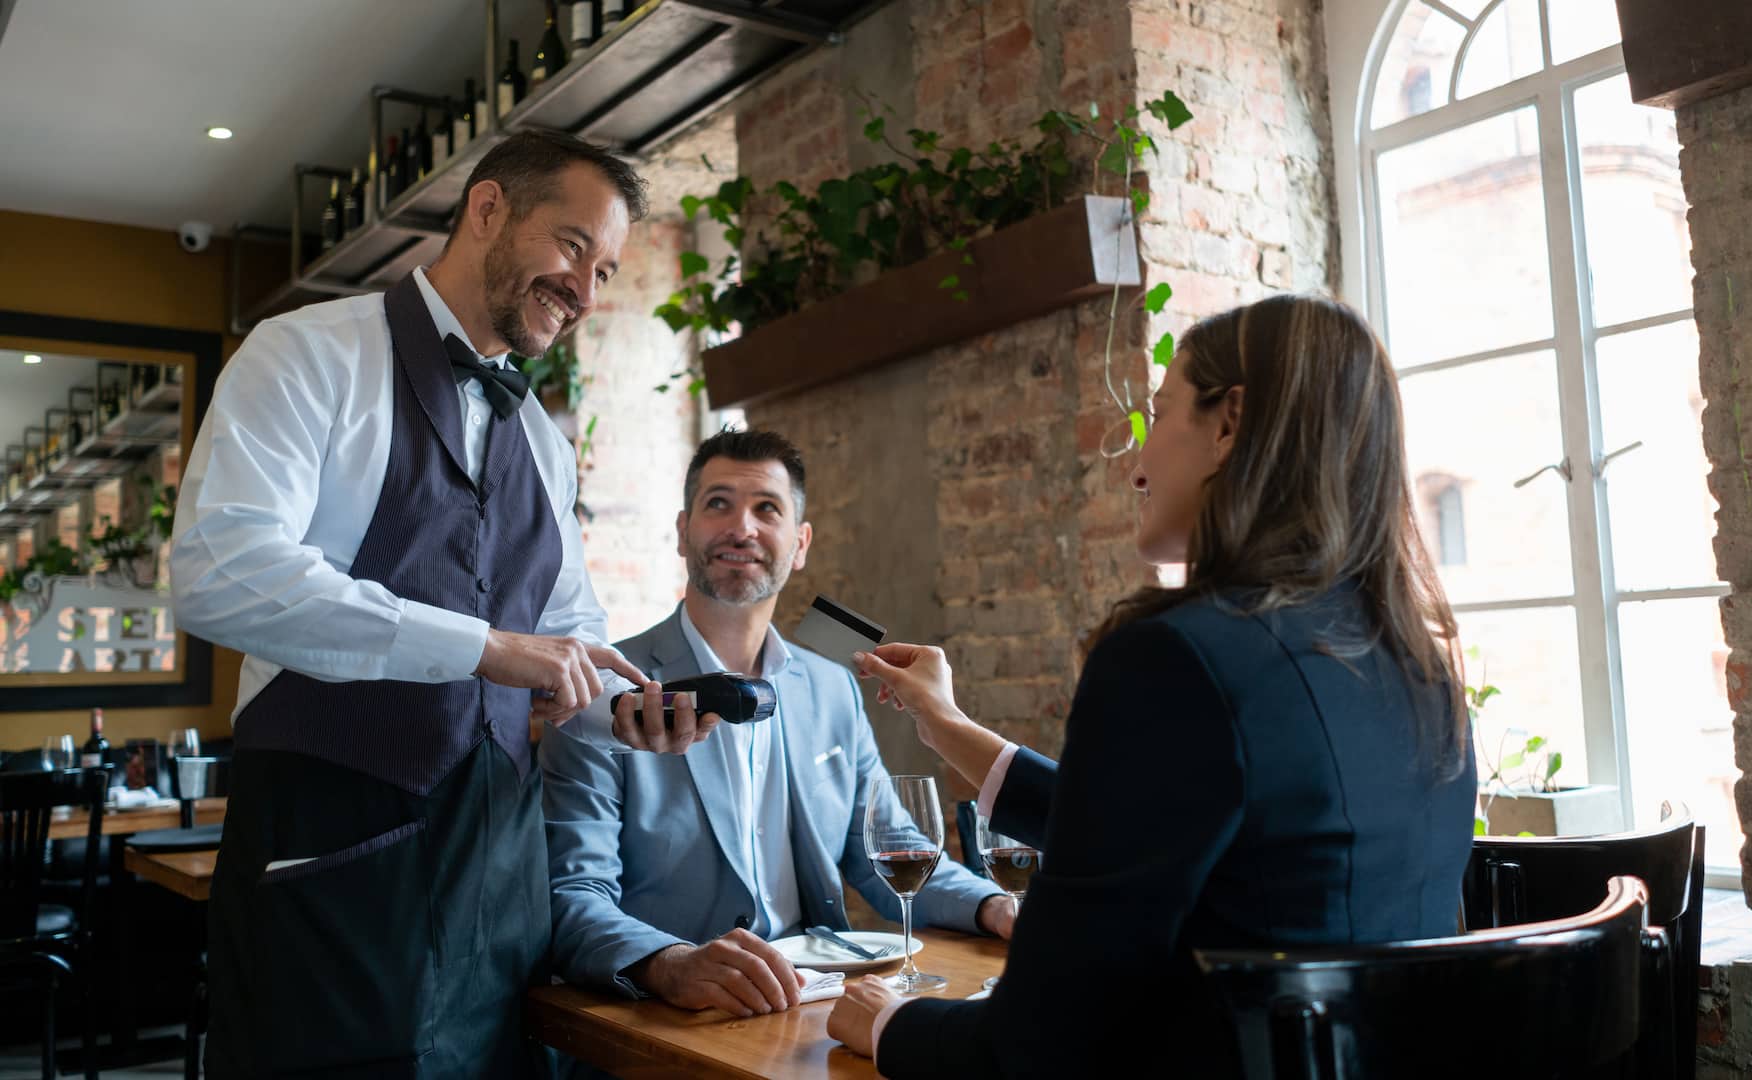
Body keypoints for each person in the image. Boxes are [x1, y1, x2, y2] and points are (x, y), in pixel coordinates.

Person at [172, 129, 720, 1079]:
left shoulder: (545, 445)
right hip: (332, 868)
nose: (588, 292)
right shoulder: (307, 353)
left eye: (609, 269)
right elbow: (220, 569)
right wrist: (481, 649)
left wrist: (613, 702)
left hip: (501, 884)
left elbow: (565, 628)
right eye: (573, 247)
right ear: (489, 207)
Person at [825, 294, 1478, 1077]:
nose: (1136, 466)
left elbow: (1038, 1043)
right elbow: (1189, 833)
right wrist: (951, 728)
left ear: (1228, 425)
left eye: (1161, 413)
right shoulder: (1415, 660)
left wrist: (893, 1026)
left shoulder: (1175, 658)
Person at [542, 428, 1014, 1020]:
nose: (742, 528)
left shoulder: (832, 687)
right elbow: (572, 896)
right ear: (683, 531)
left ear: (800, 543)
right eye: (719, 505)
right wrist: (670, 964)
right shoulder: (604, 693)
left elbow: (889, 853)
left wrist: (995, 907)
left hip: (819, 1006)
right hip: (671, 1020)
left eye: (767, 508)